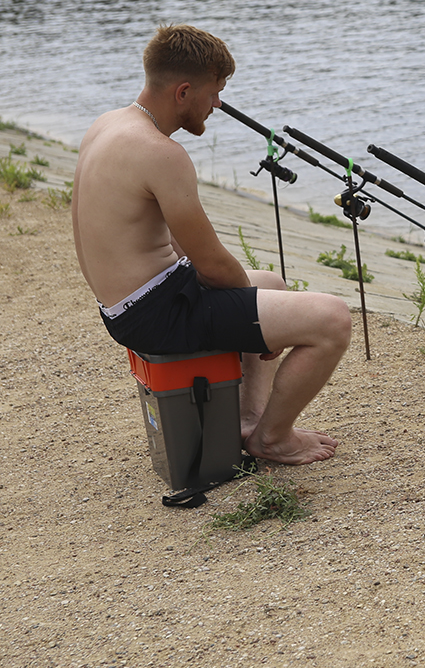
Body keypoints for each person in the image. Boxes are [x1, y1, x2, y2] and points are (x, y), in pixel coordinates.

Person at [72, 24, 352, 465]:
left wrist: (255, 307)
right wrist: (252, 321)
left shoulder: (109, 125)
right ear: (183, 91)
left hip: (126, 304)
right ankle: (273, 439)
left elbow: (181, 250)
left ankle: (250, 419)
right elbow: (213, 266)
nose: (218, 104)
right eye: (215, 92)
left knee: (272, 283)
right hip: (155, 311)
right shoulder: (161, 154)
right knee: (332, 319)